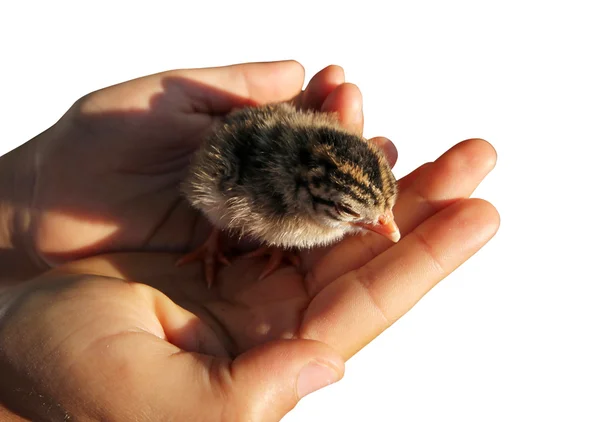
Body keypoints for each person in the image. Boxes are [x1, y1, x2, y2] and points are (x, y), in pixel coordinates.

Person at [0, 61, 499, 421]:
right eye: (355, 214)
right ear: (308, 196)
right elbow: (223, 177)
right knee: (225, 201)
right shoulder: (261, 189)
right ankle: (215, 242)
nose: (387, 229)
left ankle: (259, 244)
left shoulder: (321, 204)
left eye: (382, 210)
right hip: (243, 181)